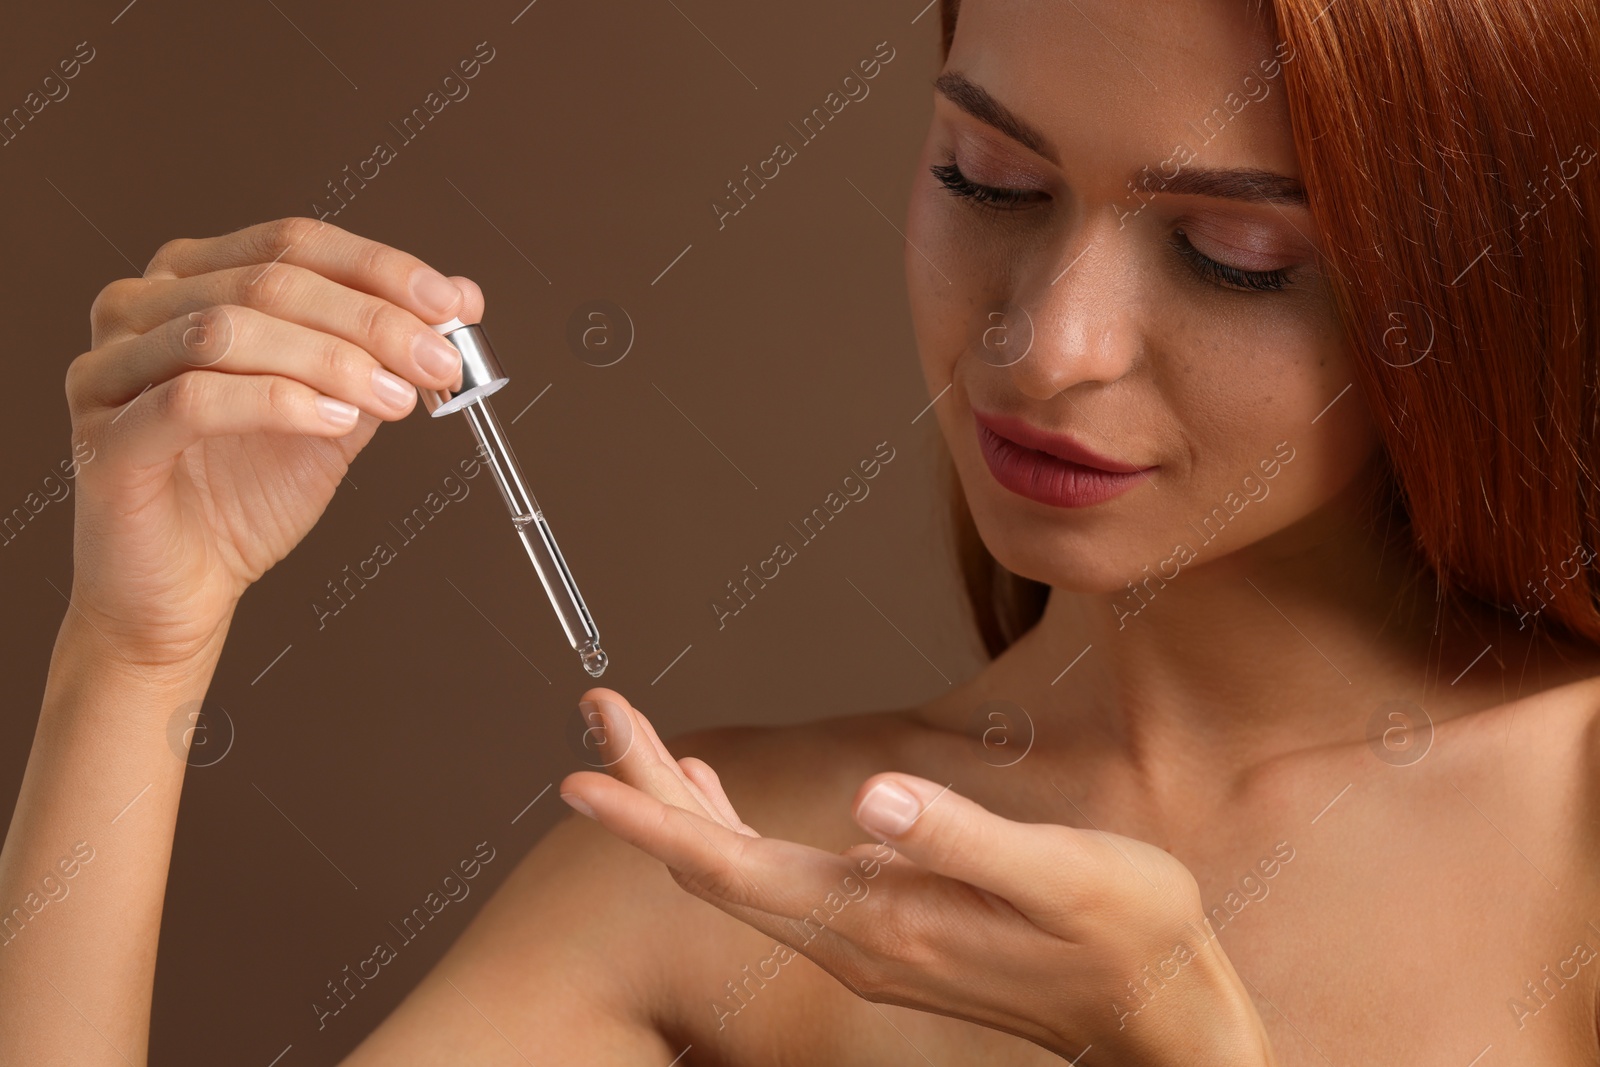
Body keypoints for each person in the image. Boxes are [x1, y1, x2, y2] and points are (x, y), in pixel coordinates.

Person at [4, 0, 1598, 1061]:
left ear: (1480, 278)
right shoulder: (722, 867)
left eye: (1239, 256)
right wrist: (134, 656)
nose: (1044, 346)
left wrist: (1176, 1035)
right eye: (988, 179)